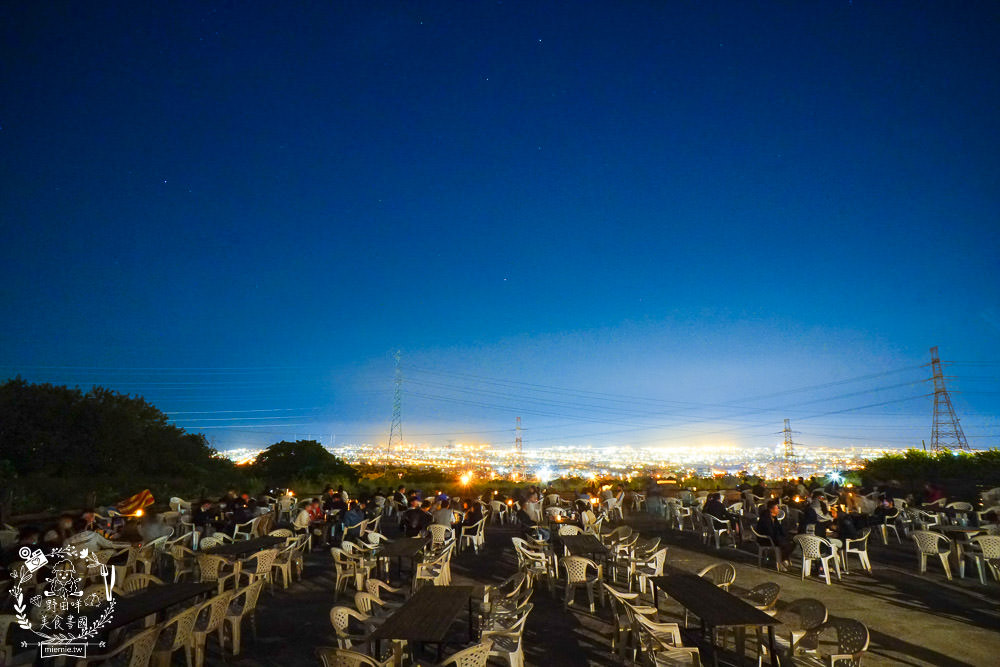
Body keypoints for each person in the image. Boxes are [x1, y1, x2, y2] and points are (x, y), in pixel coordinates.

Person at [756, 499, 793, 566]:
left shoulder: (774, 518)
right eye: (776, 508)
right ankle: (782, 560)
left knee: (791, 542)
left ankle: (784, 558)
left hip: (774, 537)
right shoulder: (765, 518)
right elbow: (769, 531)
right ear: (771, 510)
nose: (778, 509)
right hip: (766, 539)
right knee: (785, 544)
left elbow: (779, 528)